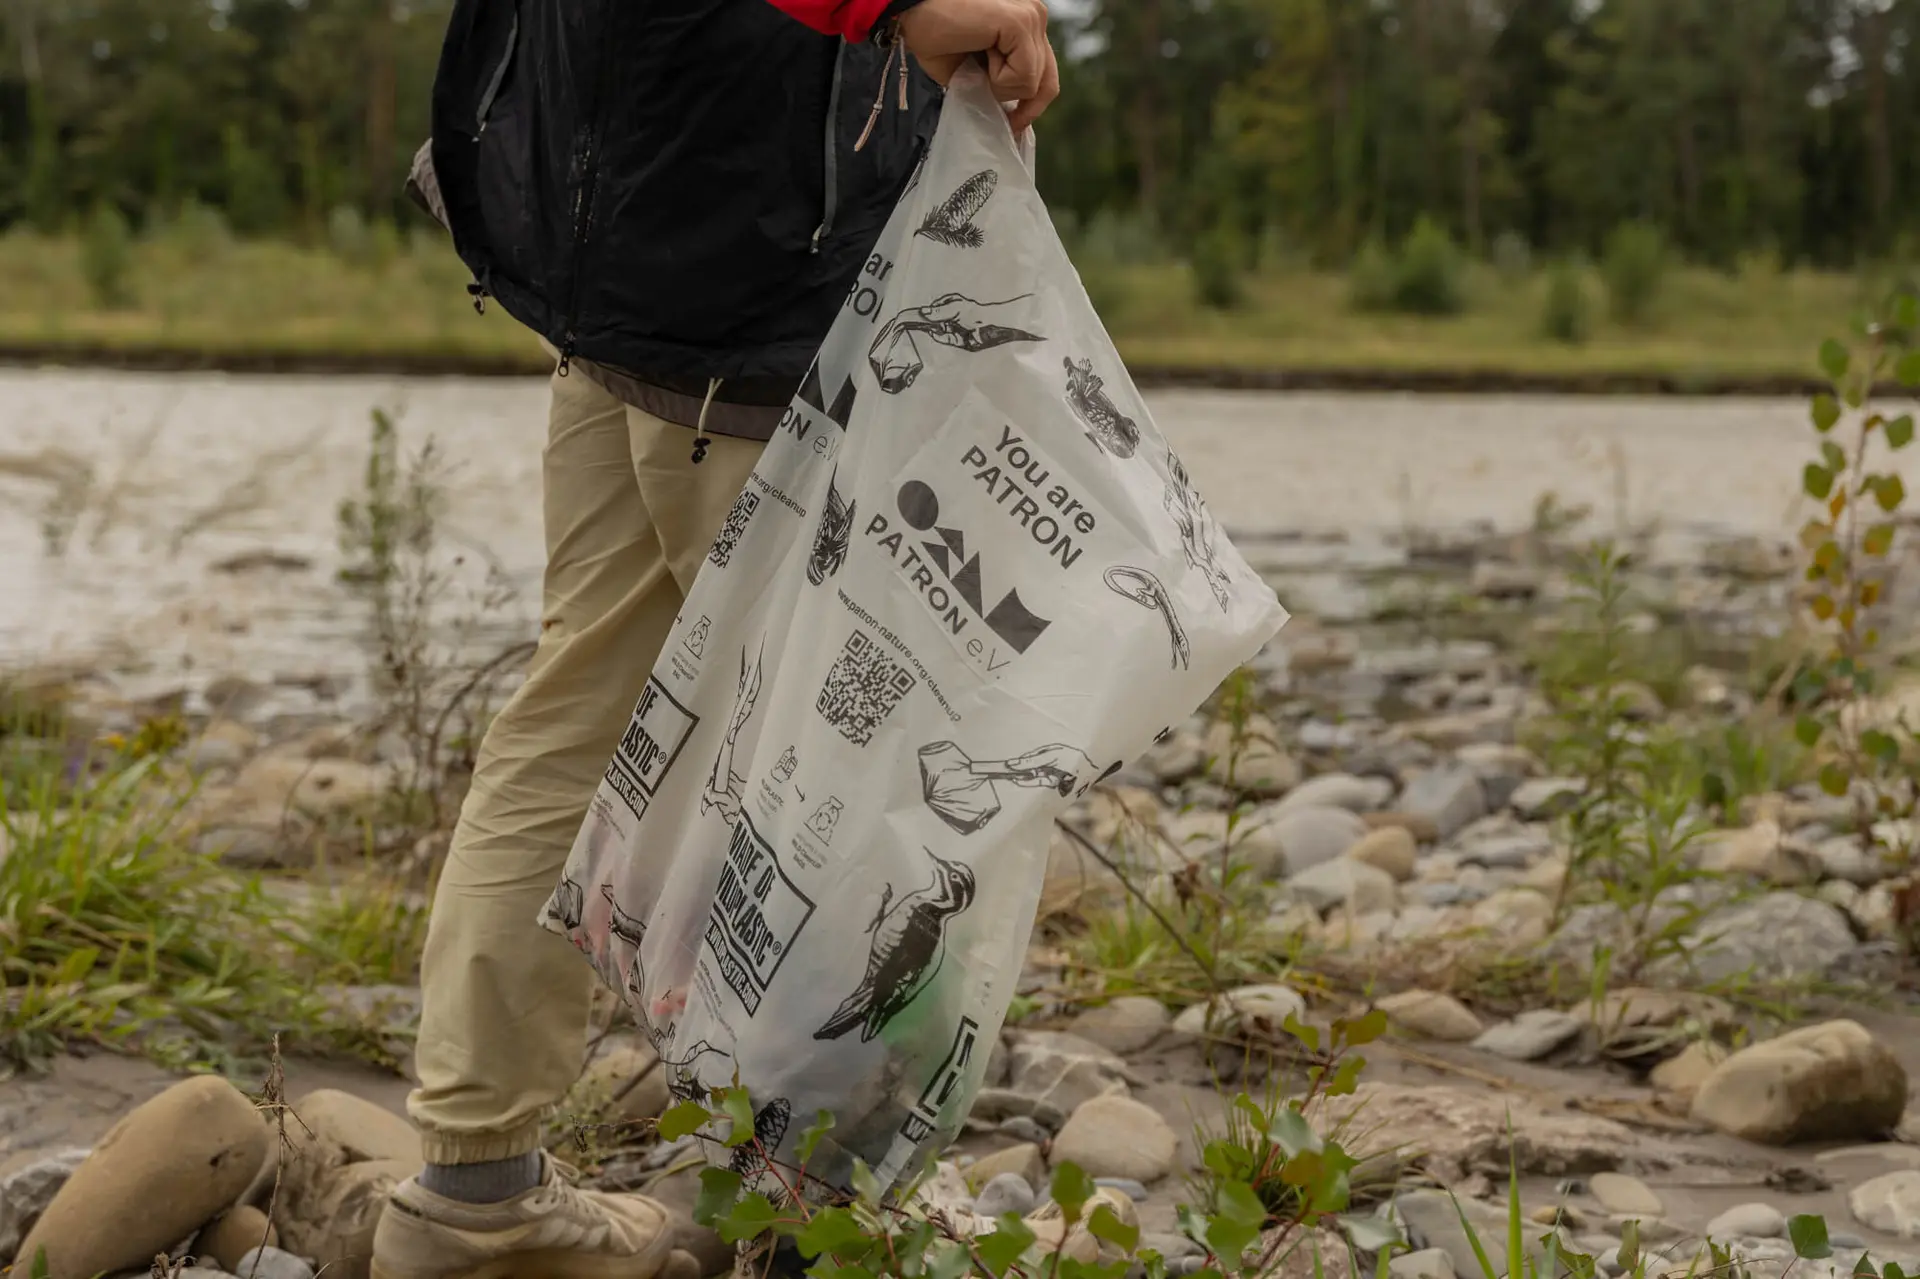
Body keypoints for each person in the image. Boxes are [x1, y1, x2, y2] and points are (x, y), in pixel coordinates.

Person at [369, 2, 1058, 1277]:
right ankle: (819, 1220)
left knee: (576, 717)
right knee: (835, 764)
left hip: (616, 265)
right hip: (749, 288)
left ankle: (472, 1191)